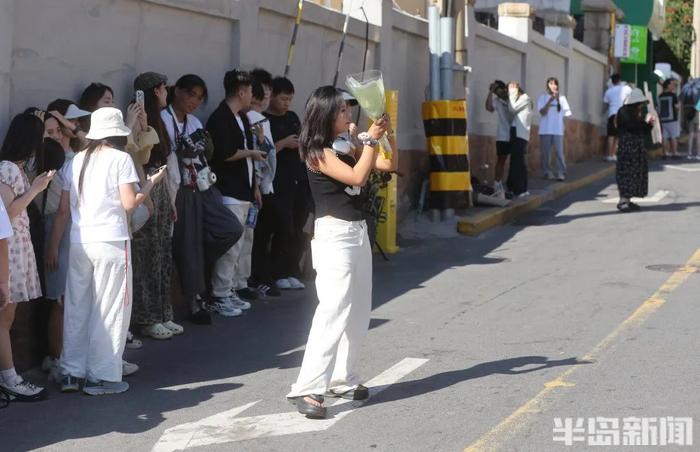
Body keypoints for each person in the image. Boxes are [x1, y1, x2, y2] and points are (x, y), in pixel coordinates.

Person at [286, 86, 397, 419]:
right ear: (327, 115)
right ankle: (307, 386)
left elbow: (389, 165)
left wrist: (387, 134)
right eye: (344, 110)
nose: (350, 114)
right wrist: (371, 141)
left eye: (350, 109)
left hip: (357, 232)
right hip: (334, 235)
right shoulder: (316, 151)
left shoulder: (347, 145)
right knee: (333, 309)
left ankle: (343, 378)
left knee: (359, 308)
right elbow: (357, 177)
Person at [57, 107, 166, 395]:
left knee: (77, 306)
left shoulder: (77, 160)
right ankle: (101, 376)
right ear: (117, 132)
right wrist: (151, 184)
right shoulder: (120, 159)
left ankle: (71, 372)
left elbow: (63, 209)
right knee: (110, 307)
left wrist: (55, 245)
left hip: (80, 240)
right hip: (111, 240)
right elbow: (130, 204)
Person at [0, 113, 55, 401]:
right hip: (9, 249)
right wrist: (35, 189)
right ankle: (9, 377)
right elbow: (5, 214)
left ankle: (9, 376)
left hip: (16, 248)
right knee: (4, 318)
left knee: (7, 318)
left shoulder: (15, 169)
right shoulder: (8, 169)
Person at [207, 69, 265, 313]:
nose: (253, 95)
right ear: (241, 92)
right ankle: (219, 294)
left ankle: (229, 289)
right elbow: (225, 153)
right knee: (230, 250)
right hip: (228, 191)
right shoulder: (220, 118)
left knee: (241, 247)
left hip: (245, 191)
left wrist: (255, 187)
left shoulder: (241, 118)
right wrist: (251, 152)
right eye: (251, 91)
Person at [129, 72, 181, 340]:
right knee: (146, 253)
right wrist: (145, 191)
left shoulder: (162, 118)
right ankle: (146, 317)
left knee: (162, 251)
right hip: (146, 185)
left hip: (159, 186)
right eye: (162, 88)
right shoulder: (138, 117)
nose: (166, 93)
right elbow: (136, 158)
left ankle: (162, 312)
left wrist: (170, 198)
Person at [162, 74, 218, 324]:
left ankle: (199, 284)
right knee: (183, 244)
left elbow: (205, 153)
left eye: (199, 97)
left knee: (229, 229)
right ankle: (194, 300)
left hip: (198, 184)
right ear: (177, 92)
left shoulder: (195, 122)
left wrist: (202, 147)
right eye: (190, 94)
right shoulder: (163, 118)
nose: (194, 101)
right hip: (173, 186)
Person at [265, 76, 310, 291]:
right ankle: (278, 272)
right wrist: (283, 144)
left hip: (298, 178)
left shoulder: (292, 117)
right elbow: (264, 150)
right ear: (271, 95)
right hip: (277, 181)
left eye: (290, 99)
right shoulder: (264, 120)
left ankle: (292, 270)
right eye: (283, 98)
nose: (286, 104)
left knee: (298, 226)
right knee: (282, 226)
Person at [249, 78, 280, 297]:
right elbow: (266, 155)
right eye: (264, 90)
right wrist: (260, 184)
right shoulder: (255, 119)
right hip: (260, 186)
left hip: (262, 185)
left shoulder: (256, 118)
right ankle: (259, 279)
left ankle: (258, 278)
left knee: (257, 237)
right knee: (257, 237)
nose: (268, 95)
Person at [615, 88, 655, 212]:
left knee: (634, 173)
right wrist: (645, 124)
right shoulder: (624, 112)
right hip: (627, 147)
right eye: (640, 103)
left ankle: (628, 200)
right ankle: (623, 201)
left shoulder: (634, 114)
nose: (642, 106)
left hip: (635, 148)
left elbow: (642, 130)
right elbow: (632, 127)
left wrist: (649, 124)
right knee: (627, 173)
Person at [537, 77, 572, 181]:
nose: (554, 86)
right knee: (545, 152)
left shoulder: (562, 98)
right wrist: (550, 100)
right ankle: (547, 172)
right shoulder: (542, 97)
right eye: (551, 83)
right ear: (547, 85)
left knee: (559, 151)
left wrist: (565, 127)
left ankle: (561, 172)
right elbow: (542, 112)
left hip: (557, 130)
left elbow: (567, 114)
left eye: (555, 84)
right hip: (545, 129)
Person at [485, 80, 513, 197]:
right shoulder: (497, 101)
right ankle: (497, 184)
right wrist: (491, 92)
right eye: (495, 92)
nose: (497, 93)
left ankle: (512, 184)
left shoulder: (512, 100)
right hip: (502, 136)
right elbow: (488, 107)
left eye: (498, 90)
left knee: (515, 161)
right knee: (501, 161)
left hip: (515, 135)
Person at [506, 81, 532, 198]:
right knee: (515, 161)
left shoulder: (525, 98)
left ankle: (520, 189)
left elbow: (512, 108)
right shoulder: (518, 99)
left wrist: (512, 92)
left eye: (513, 88)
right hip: (517, 132)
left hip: (520, 133)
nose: (511, 91)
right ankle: (513, 187)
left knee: (519, 162)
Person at [603, 74, 632, 162]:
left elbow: (606, 102)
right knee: (618, 136)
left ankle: (609, 155)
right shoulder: (626, 88)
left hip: (612, 113)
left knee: (611, 135)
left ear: (612, 81)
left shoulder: (609, 91)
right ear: (619, 80)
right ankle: (613, 154)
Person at [658, 78, 681, 159]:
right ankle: (674, 153)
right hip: (672, 119)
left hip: (663, 119)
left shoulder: (660, 96)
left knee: (664, 137)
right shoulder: (673, 95)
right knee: (673, 136)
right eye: (672, 84)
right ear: (668, 85)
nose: (673, 86)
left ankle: (664, 153)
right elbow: (677, 107)